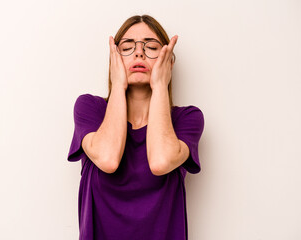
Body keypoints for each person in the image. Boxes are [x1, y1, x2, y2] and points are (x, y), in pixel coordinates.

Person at [67, 14, 204, 240]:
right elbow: (108, 159)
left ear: (168, 60)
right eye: (127, 47)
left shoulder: (187, 118)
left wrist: (160, 85)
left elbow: (160, 162)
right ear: (114, 59)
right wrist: (118, 84)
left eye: (151, 47)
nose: (139, 52)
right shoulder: (89, 108)